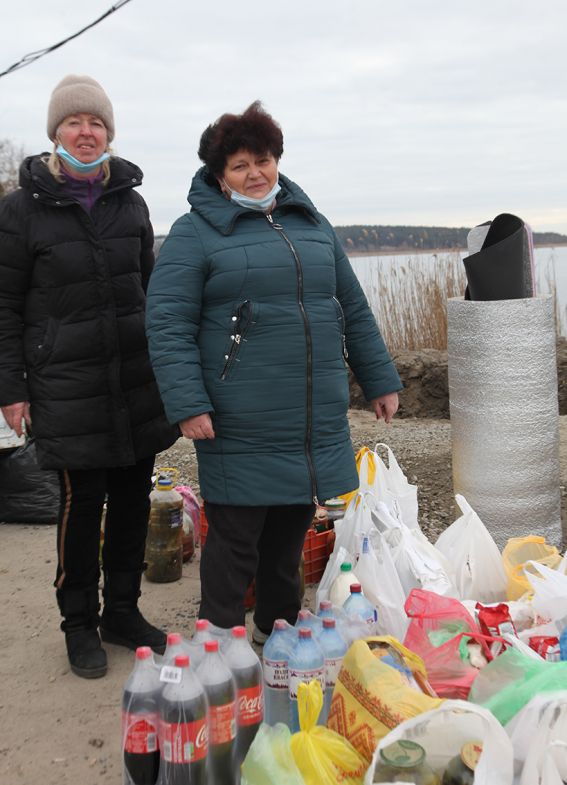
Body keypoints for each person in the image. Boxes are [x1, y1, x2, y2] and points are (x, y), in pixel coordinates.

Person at [146, 101, 401, 643]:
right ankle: (216, 643)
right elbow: (166, 322)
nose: (254, 173)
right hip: (239, 414)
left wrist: (379, 378)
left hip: (309, 415)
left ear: (277, 161)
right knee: (235, 539)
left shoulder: (313, 226)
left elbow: (351, 306)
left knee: (288, 537)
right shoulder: (193, 234)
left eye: (263, 160)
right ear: (219, 175)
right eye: (239, 165)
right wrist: (188, 403)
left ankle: (277, 635)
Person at [0, 75, 178, 678]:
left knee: (131, 500)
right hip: (65, 383)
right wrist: (12, 388)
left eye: (96, 123)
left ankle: (121, 613)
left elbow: (152, 293)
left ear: (109, 132)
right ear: (56, 132)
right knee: (81, 508)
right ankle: (79, 624)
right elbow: (3, 305)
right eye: (74, 122)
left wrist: (171, 369)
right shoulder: (20, 209)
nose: (86, 132)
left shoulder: (131, 201)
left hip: (133, 380)